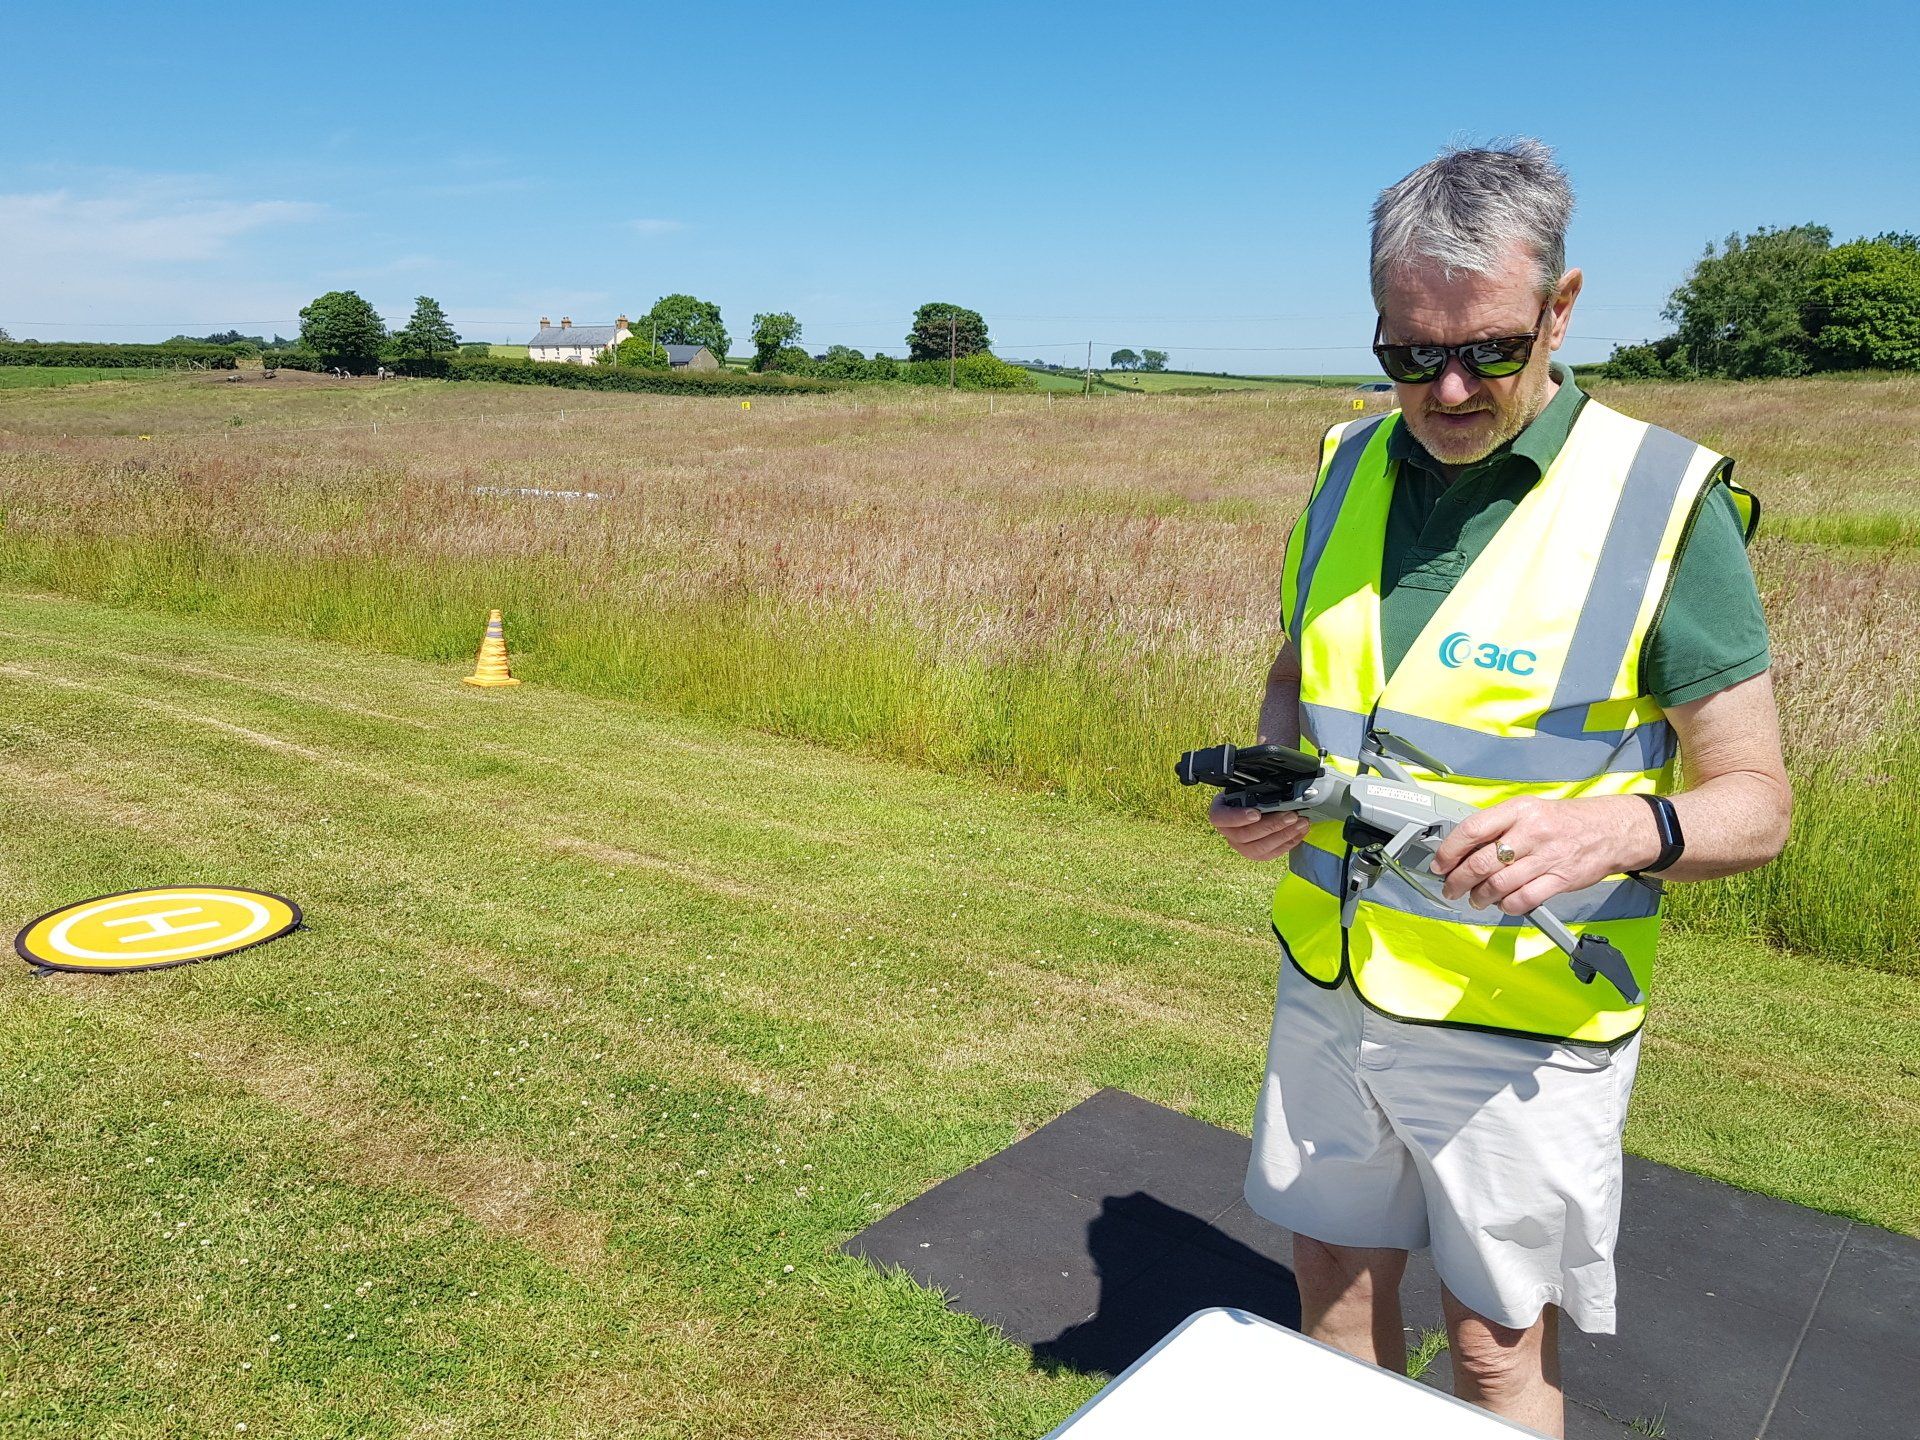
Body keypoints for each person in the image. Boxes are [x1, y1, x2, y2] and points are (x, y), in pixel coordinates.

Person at [1209, 140, 1791, 1437]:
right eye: (1409, 354)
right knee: (1333, 1288)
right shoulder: (1343, 465)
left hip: (1518, 1025)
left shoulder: (1661, 503)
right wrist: (1268, 777)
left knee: (1490, 1354)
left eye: (1487, 348)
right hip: (1330, 983)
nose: (1449, 387)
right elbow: (1298, 667)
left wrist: (1616, 832)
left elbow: (1759, 798)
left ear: (1563, 310)